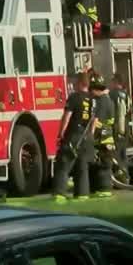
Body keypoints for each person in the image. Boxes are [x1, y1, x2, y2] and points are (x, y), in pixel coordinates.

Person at [52, 72, 94, 202]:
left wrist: (61, 133)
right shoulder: (93, 100)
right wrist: (90, 136)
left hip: (74, 135)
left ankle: (59, 193)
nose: (74, 85)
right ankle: (82, 194)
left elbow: (67, 116)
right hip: (86, 137)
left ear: (80, 83)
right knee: (82, 166)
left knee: (63, 164)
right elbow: (94, 121)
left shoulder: (74, 97)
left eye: (75, 83)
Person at [88, 73, 116, 199]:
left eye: (92, 90)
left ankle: (104, 188)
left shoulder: (101, 101)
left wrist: (90, 135)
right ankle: (103, 188)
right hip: (108, 136)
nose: (91, 93)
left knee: (103, 163)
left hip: (102, 137)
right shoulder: (108, 100)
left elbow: (95, 120)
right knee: (105, 161)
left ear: (96, 89)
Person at [109, 73, 132, 177]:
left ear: (115, 82)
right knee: (123, 153)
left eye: (112, 81)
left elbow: (113, 112)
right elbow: (128, 110)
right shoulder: (126, 95)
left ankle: (120, 175)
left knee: (116, 153)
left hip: (117, 127)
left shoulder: (112, 94)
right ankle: (126, 175)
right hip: (125, 127)